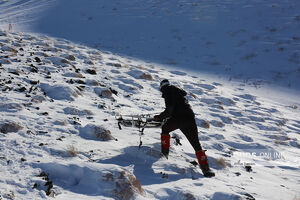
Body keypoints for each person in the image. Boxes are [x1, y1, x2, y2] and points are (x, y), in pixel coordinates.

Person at [154, 79, 215, 177]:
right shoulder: (179, 93)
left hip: (178, 118)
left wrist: (159, 117)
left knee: (165, 129)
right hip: (190, 119)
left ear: (162, 87)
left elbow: (169, 110)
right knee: (196, 144)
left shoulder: (168, 91)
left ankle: (164, 155)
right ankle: (206, 170)